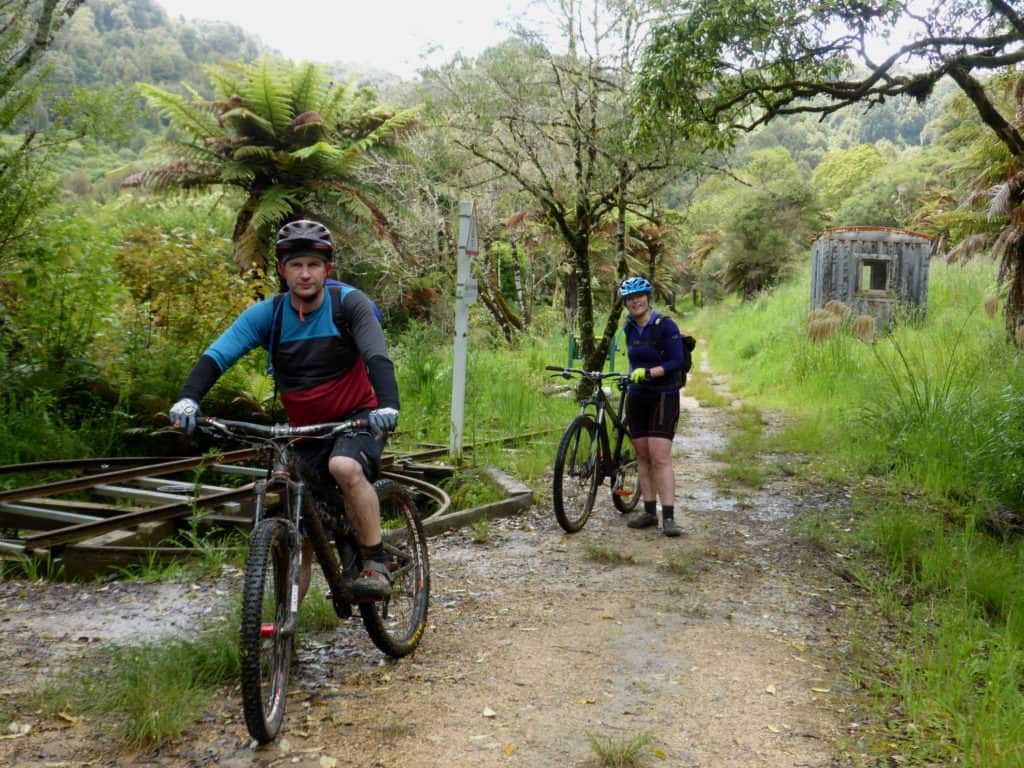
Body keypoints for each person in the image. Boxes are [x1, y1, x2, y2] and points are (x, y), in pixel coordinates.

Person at [169, 219, 400, 600]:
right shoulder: (270, 315)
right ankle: (279, 637)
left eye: (313, 265)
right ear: (283, 270)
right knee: (300, 524)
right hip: (303, 430)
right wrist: (189, 397)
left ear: (327, 269)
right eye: (296, 265)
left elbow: (376, 356)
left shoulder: (349, 305)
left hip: (356, 418)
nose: (305, 274)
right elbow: (218, 355)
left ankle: (375, 562)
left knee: (344, 467)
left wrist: (388, 405)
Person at [620, 276, 686, 538]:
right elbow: (632, 361)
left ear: (648, 298)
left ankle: (668, 516)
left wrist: (649, 373)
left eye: (640, 296)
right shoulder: (628, 329)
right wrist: (630, 377)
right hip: (637, 397)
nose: (635, 302)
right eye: (630, 299)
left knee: (660, 456)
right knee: (642, 456)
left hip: (663, 395)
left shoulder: (665, 325)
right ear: (626, 303)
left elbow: (676, 361)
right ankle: (648, 511)